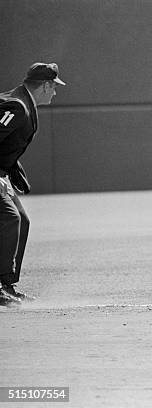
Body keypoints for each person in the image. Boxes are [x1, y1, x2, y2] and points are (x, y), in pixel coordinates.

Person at [0, 62, 66, 307]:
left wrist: (10, 168)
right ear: (46, 85)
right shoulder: (17, 106)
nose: (56, 92)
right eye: (54, 87)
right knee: (8, 218)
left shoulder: (23, 102)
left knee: (20, 219)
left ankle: (7, 285)